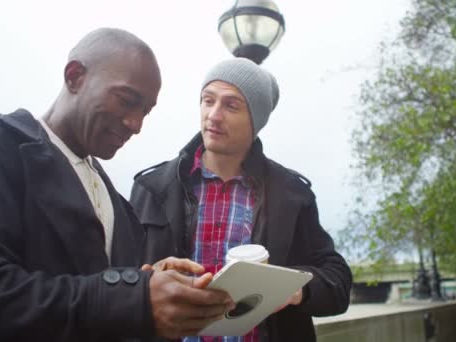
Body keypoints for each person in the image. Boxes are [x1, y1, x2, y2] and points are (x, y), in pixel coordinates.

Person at [0, 28, 233, 342]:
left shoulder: (118, 203)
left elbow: (101, 294)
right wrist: (134, 298)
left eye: (145, 111)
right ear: (74, 76)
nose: (136, 124)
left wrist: (148, 280)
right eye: (127, 101)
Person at [130, 58, 353, 342]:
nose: (213, 115)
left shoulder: (292, 194)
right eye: (207, 101)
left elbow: (338, 283)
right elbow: (118, 279)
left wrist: (292, 287)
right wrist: (148, 280)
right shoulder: (152, 187)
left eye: (231, 105)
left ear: (256, 122)